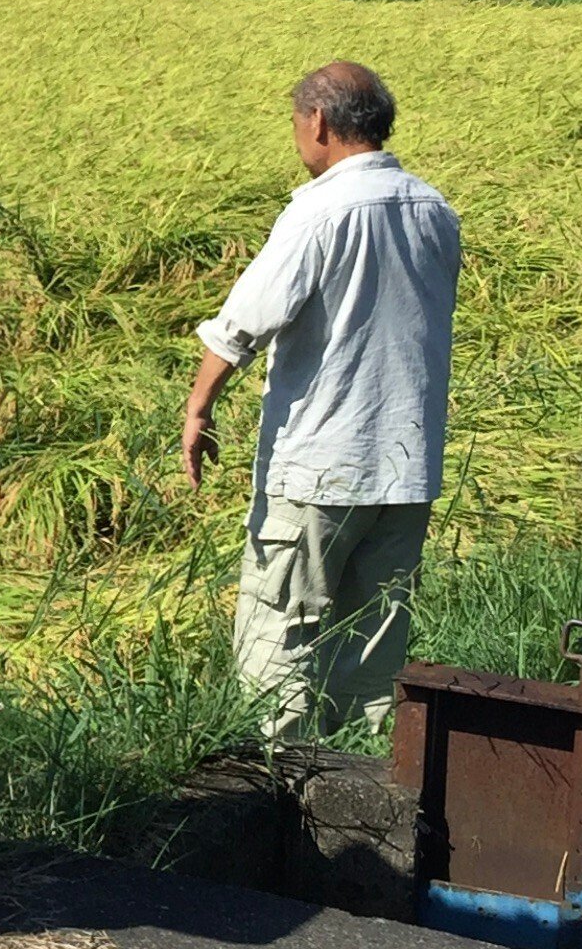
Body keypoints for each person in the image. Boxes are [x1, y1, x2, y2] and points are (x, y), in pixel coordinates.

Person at [181, 61, 461, 743]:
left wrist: (197, 407)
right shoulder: (434, 209)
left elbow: (242, 322)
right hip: (404, 467)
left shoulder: (318, 211)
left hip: (318, 466)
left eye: (295, 125)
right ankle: (363, 783)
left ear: (318, 123)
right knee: (372, 648)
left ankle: (272, 788)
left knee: (281, 636)